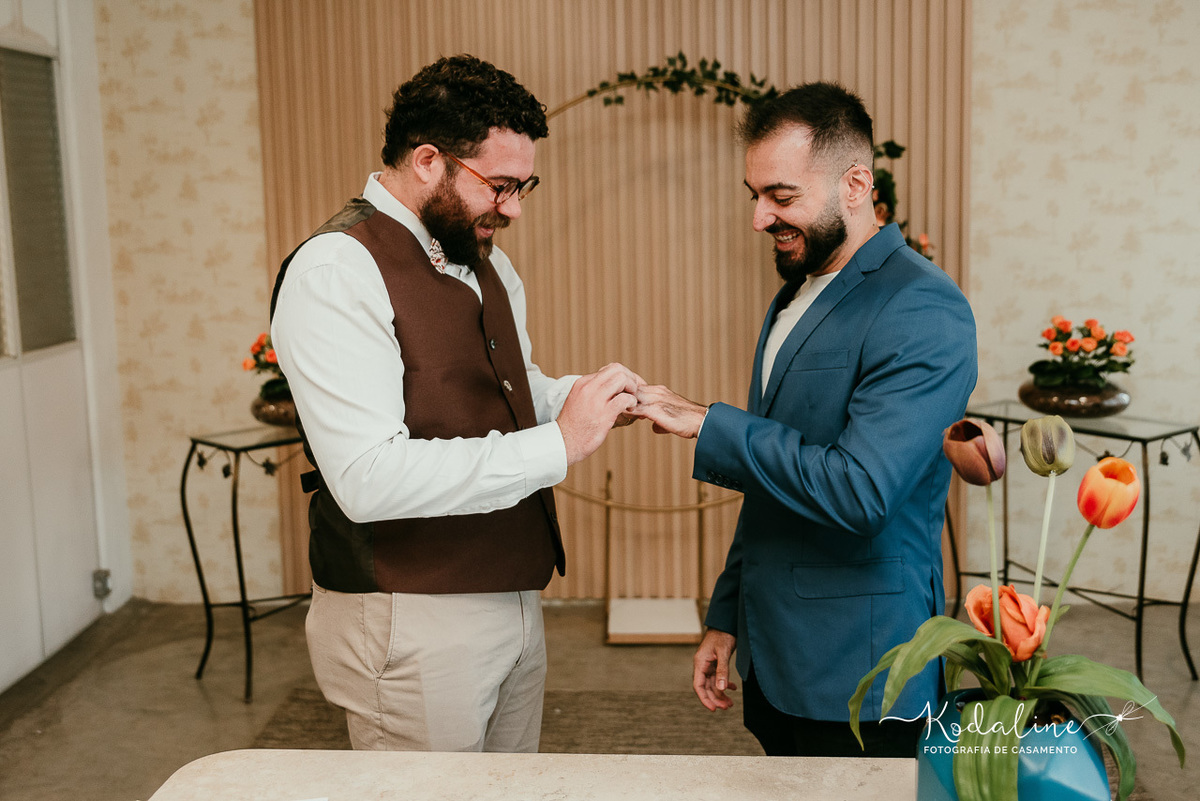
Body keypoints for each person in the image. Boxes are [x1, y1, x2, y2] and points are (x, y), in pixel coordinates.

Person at [270, 55, 640, 753]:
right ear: (429, 159)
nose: (514, 207)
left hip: (512, 592)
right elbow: (368, 478)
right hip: (408, 617)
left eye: (523, 185)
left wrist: (588, 398)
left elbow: (503, 388)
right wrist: (560, 443)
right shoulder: (334, 270)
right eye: (499, 186)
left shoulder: (485, 259)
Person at [632, 82, 977, 758]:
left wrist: (709, 422)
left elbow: (859, 490)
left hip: (864, 670)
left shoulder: (924, 309)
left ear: (856, 184)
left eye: (781, 197)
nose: (759, 217)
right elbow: (776, 481)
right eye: (754, 194)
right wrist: (728, 614)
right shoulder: (794, 294)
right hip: (775, 650)